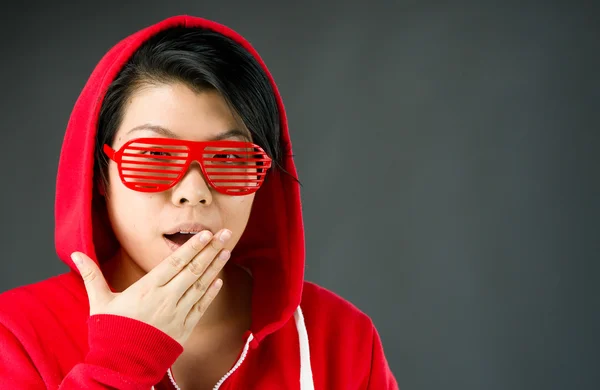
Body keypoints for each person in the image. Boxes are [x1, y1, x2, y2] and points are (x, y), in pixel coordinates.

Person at [0, 15, 398, 390]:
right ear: (100, 174)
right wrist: (119, 362)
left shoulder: (340, 337)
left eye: (227, 158)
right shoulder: (15, 334)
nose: (194, 190)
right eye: (154, 155)